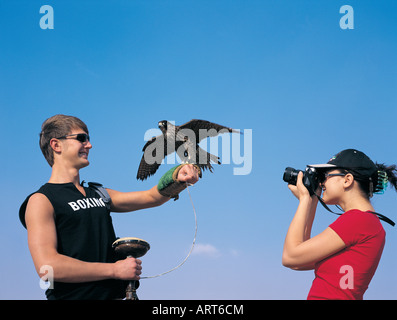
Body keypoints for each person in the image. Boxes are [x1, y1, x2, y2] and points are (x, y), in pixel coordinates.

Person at [19, 114, 200, 300]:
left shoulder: (99, 193)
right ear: (56, 145)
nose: (89, 145)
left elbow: (151, 197)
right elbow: (47, 268)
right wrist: (114, 270)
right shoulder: (41, 200)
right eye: (81, 138)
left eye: (88, 139)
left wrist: (178, 177)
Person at [282, 149, 396, 300]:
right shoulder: (366, 222)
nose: (321, 183)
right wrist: (312, 201)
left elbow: (290, 256)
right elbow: (300, 261)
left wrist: (304, 200)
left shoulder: (358, 220)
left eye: (326, 176)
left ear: (347, 180)